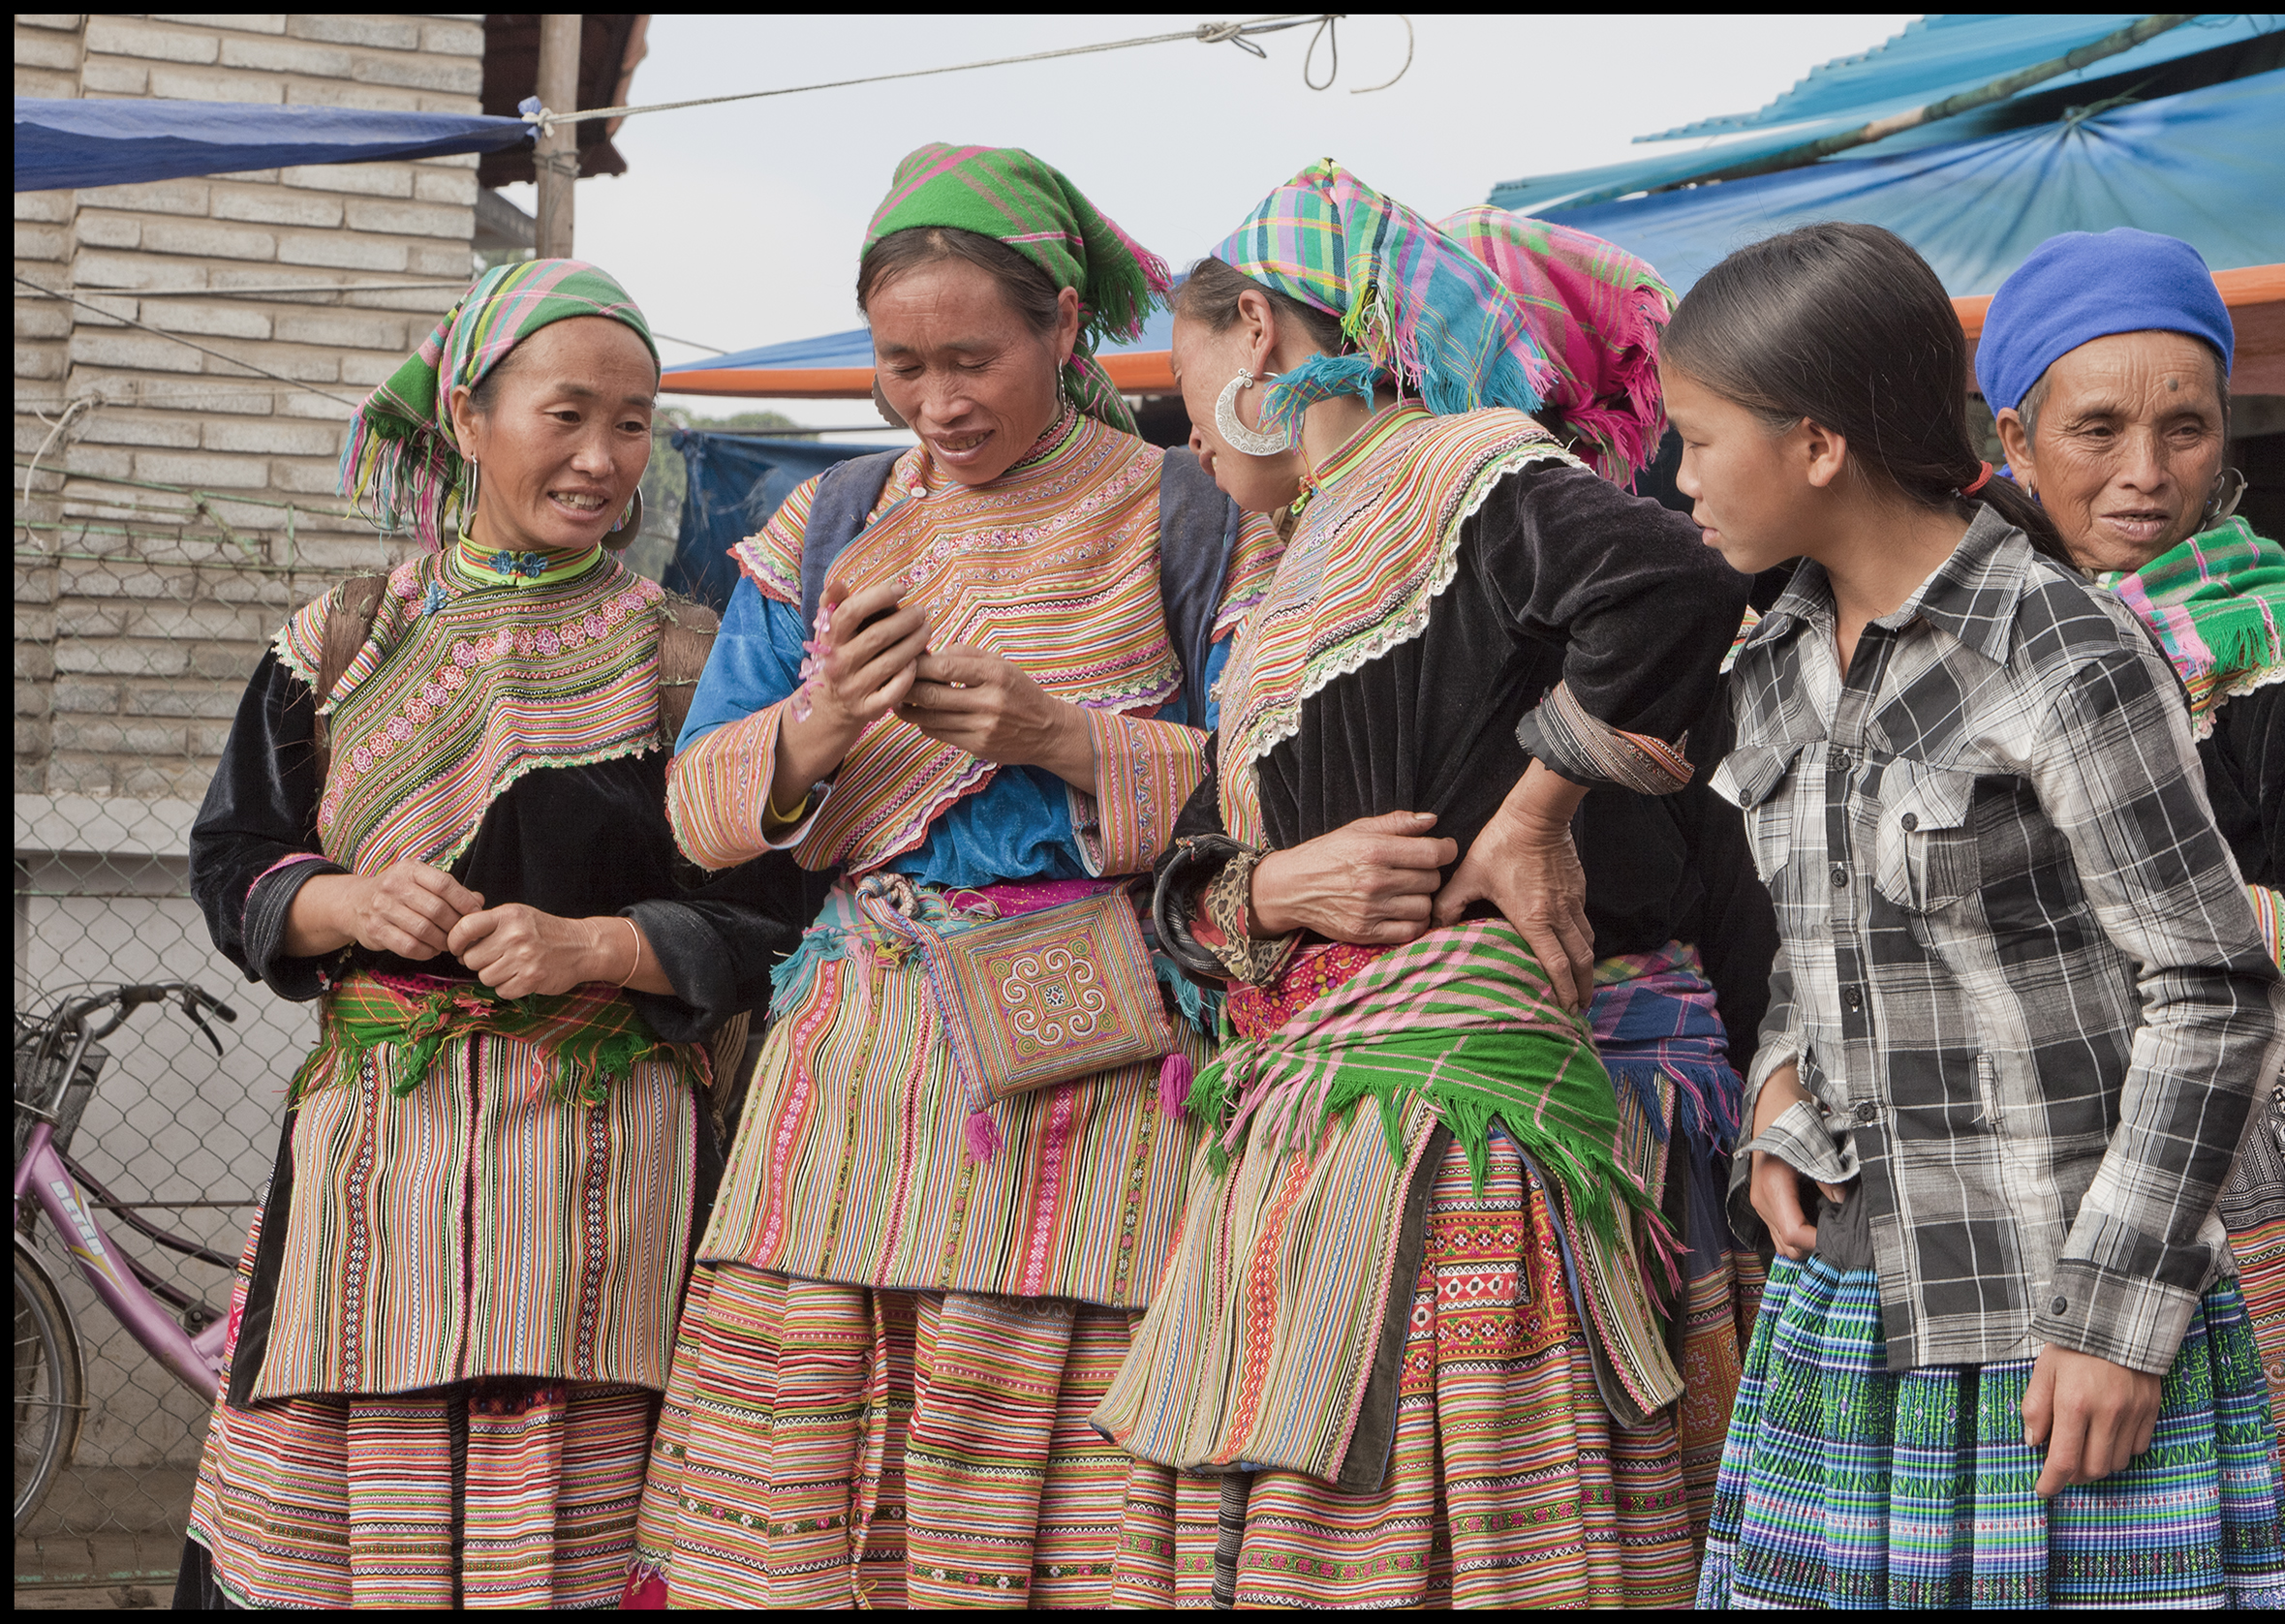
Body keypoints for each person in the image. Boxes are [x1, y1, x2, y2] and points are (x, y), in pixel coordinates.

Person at [624, 142, 1281, 1609]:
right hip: (849, 1046)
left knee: (1040, 1454)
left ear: (1063, 328)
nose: (937, 401)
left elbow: (1270, 781)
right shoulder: (829, 524)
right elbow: (698, 807)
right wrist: (817, 726)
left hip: (1085, 1054)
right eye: (901, 363)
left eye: (974, 358)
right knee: (804, 1458)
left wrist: (1061, 735)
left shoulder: (1185, 518)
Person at [1092, 161, 1751, 1608]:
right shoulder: (1281, 580)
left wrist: (1534, 813)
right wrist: (1277, 893)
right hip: (1309, 1124)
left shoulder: (1470, 469)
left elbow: (1676, 591)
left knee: (1442, 1526)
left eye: (1187, 373)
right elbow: (1204, 877)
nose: (1186, 428)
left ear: (1256, 331)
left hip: (1455, 1116)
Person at [1678, 221, 2285, 1609]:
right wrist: (1783, 1096)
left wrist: (2121, 1320)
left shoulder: (2062, 655)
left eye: (1703, 437)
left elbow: (2217, 990)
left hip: (2055, 1336)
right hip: (1853, 1312)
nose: (1680, 476)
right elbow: (1817, 946)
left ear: (1818, 441)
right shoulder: (1773, 662)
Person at [177, 259, 802, 1609]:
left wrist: (606, 949)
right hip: (375, 1181)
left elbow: (783, 917)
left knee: (569, 1549)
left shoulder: (688, 659)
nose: (601, 458)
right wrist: (344, 901)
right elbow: (233, 853)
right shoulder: (344, 639)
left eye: (633, 424)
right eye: (566, 414)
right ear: (468, 416)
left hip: (603, 1192)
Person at [1978, 227, 2285, 1609]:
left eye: (2185, 426)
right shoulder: (1940, 641)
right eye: (2097, 427)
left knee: (2241, 1550)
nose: (2145, 473)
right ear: (2016, 438)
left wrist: (2151, 928)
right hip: (1977, 1180)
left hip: (2233, 1187)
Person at [1442, 201, 1781, 1534]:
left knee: (1611, 1487)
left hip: (1623, 1088)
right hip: (1462, 1084)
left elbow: (1730, 871)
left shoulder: (1634, 551)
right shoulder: (1390, 544)